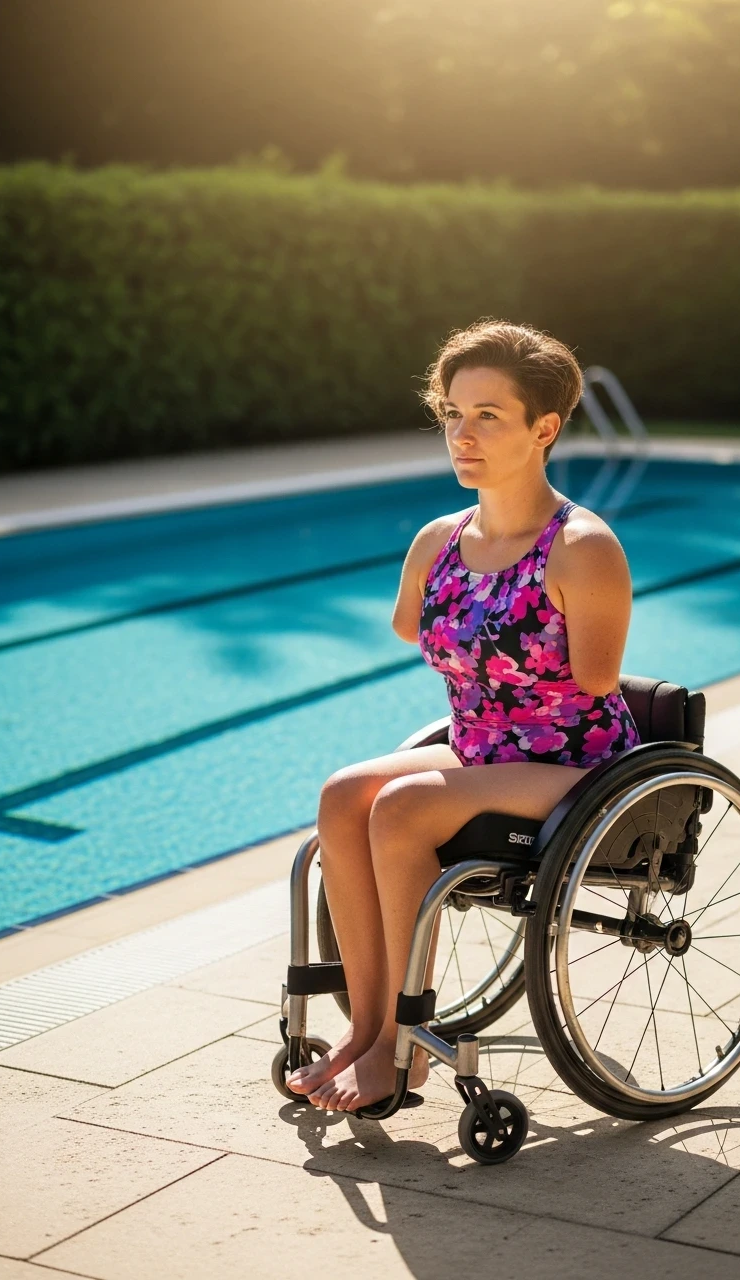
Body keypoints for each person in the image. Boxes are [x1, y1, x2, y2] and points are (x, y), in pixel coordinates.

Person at [287, 319, 641, 1112]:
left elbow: (597, 679)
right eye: (453, 412)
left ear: (544, 428)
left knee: (406, 805)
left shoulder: (583, 548)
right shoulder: (436, 542)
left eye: (489, 415)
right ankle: (367, 1031)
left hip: (576, 765)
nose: (462, 433)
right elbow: (411, 624)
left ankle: (397, 1048)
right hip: (482, 753)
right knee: (345, 793)